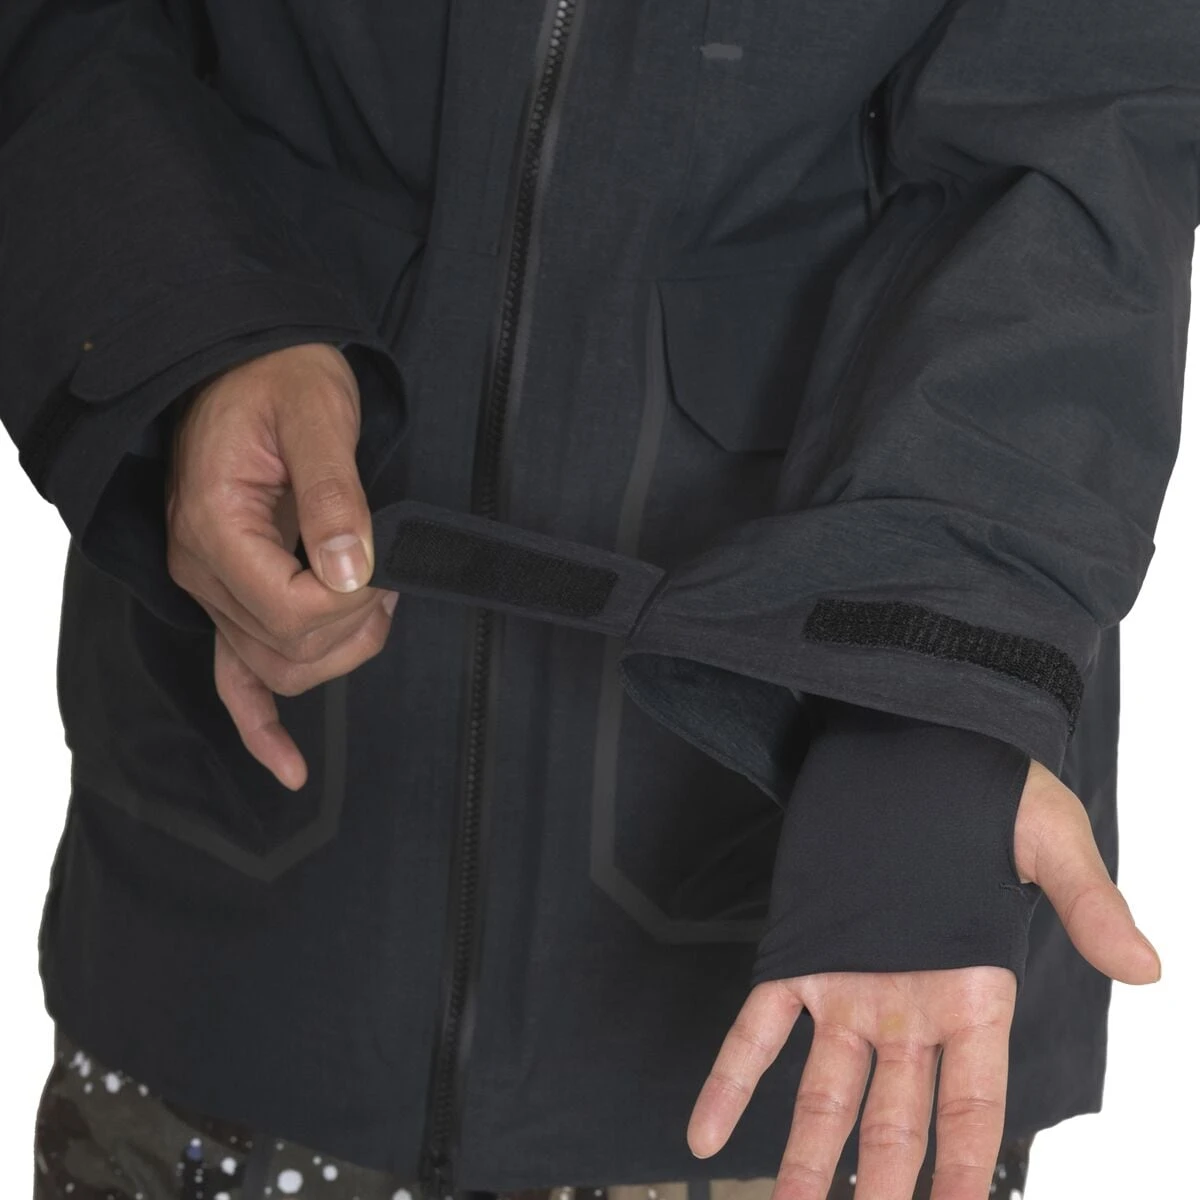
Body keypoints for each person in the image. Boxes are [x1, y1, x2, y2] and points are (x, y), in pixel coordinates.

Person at [1, 1, 1192, 1197]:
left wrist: (927, 679)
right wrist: (184, 335)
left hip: (827, 966)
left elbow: (1096, 119)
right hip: (224, 914)